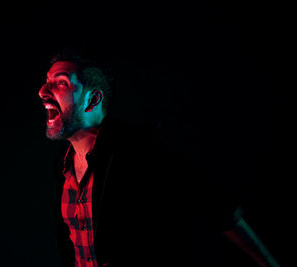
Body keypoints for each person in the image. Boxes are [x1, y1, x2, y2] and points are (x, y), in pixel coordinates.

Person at [38, 49, 280, 267]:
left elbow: (219, 210)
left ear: (93, 100)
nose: (42, 92)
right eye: (46, 82)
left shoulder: (141, 153)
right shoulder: (62, 167)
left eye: (60, 83)